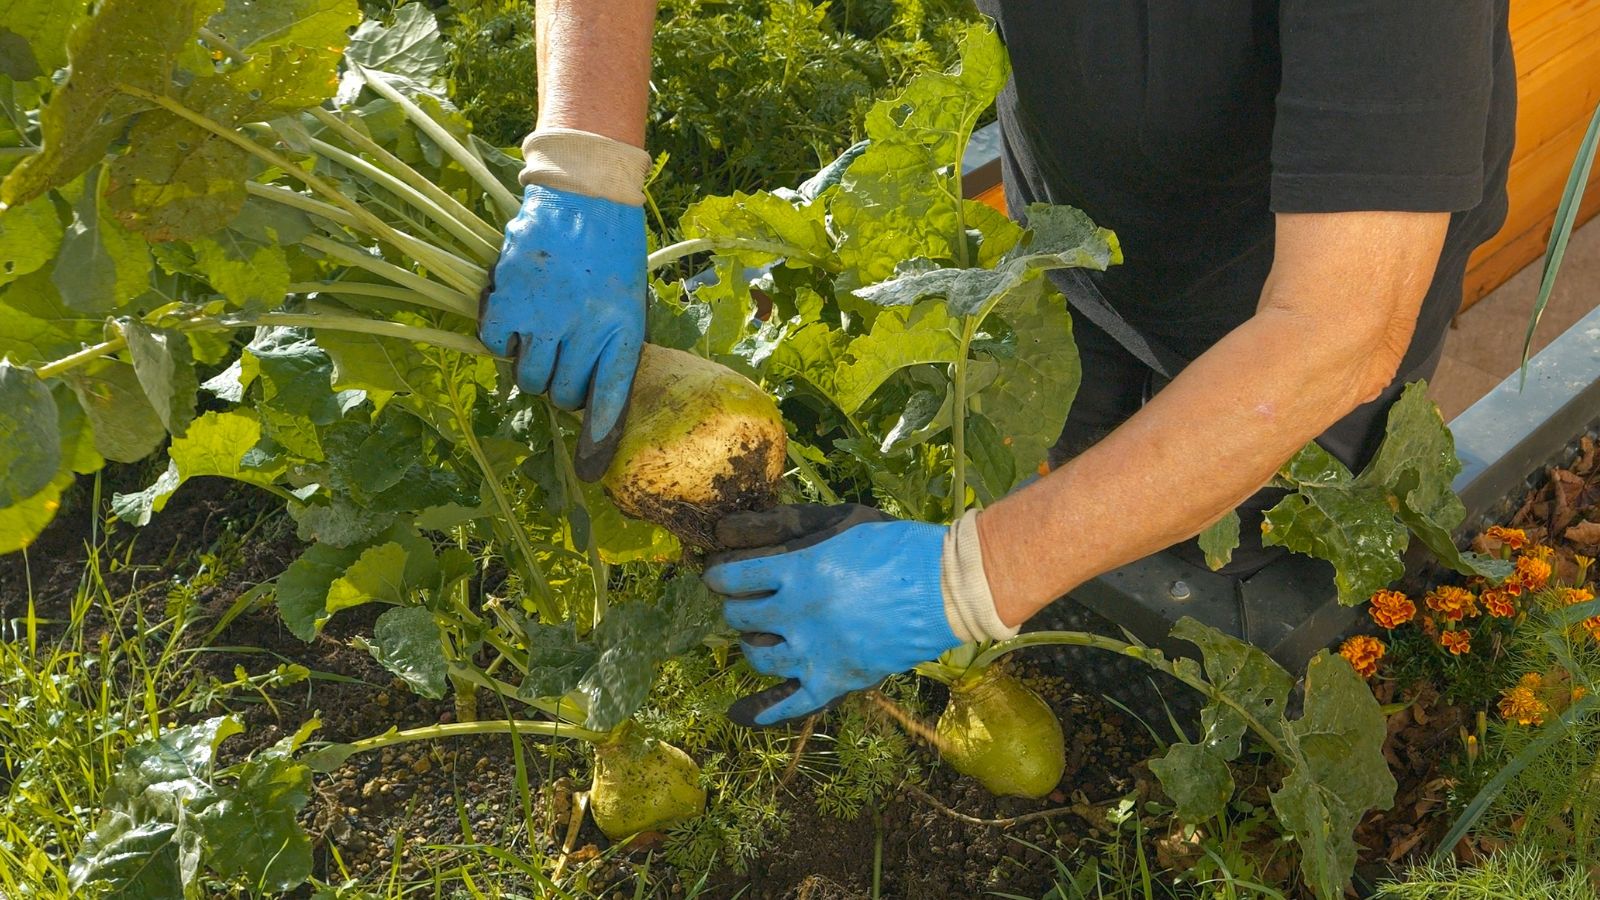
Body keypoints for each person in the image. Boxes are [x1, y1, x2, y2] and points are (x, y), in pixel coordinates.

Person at [479, 2, 1515, 727]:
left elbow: (1335, 331)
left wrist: (967, 580)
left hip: (1291, 291)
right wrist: (584, 161)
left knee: (1242, 561)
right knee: (1079, 454)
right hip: (1074, 220)